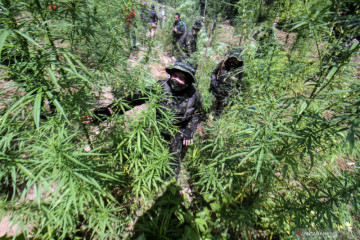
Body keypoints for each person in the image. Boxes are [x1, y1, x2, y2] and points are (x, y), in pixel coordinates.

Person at [84, 62, 205, 178]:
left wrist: (189, 130)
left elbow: (199, 113)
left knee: (174, 162)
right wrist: (106, 112)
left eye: (181, 78)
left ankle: (170, 186)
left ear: (188, 82)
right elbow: (133, 99)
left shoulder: (194, 95)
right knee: (155, 156)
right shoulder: (161, 87)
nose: (176, 80)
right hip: (160, 128)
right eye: (174, 76)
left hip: (179, 130)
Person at [209, 49, 244, 118]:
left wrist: (235, 97)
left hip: (227, 94)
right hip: (216, 89)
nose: (232, 61)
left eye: (235, 60)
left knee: (219, 111)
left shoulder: (240, 71)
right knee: (209, 106)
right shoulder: (223, 64)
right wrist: (213, 81)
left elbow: (239, 85)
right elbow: (213, 73)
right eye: (231, 59)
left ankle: (216, 120)